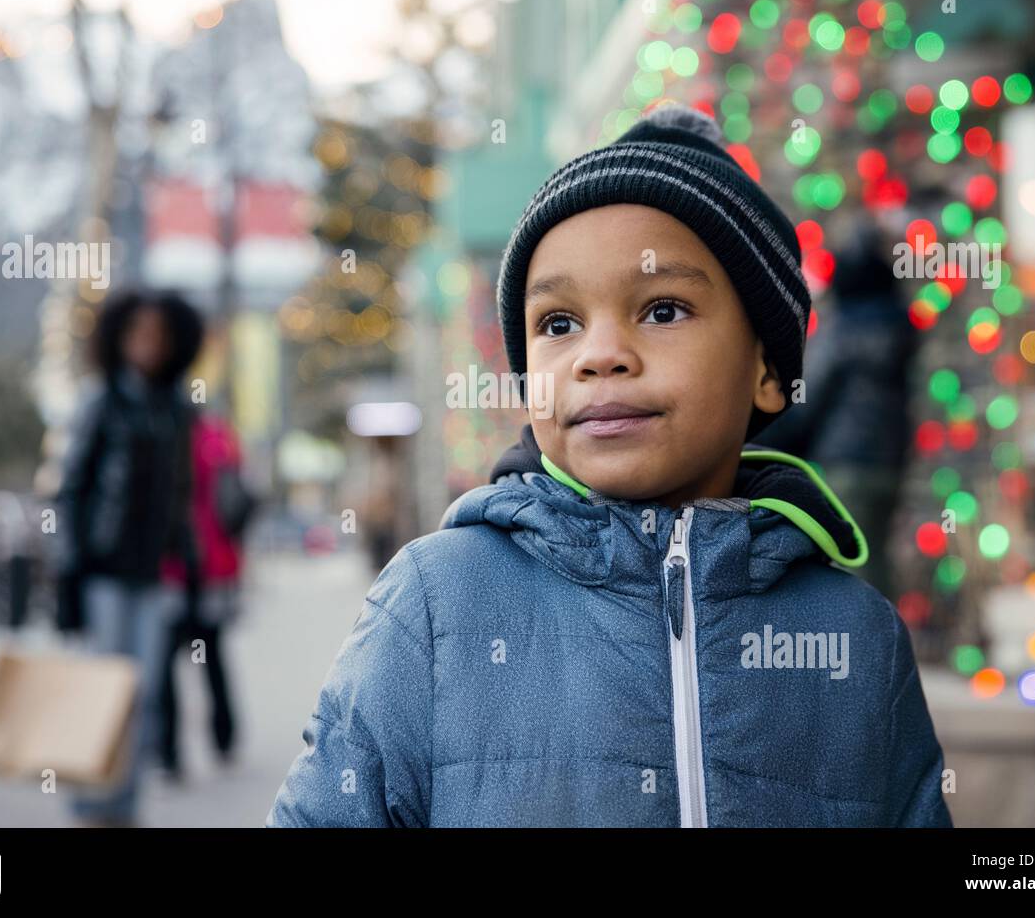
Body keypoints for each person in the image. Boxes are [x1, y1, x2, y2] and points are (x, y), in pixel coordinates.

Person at [267, 106, 951, 827]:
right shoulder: (436, 605)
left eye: (662, 309)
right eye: (558, 324)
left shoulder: (856, 637)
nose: (600, 354)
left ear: (768, 370)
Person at [54, 289, 203, 826]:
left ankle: (124, 806)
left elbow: (180, 498)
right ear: (118, 339)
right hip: (104, 574)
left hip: (152, 575)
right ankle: (91, 801)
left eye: (158, 335)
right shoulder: (101, 402)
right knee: (100, 691)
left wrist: (191, 575)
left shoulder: (177, 410)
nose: (148, 344)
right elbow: (70, 489)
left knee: (143, 696)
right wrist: (69, 574)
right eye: (138, 333)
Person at [753, 217, 916, 603]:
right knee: (875, 553)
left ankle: (865, 644)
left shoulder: (842, 333)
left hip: (845, 461)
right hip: (889, 463)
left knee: (849, 562)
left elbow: (808, 396)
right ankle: (883, 634)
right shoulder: (899, 331)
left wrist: (771, 438)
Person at [156, 412, 246, 779]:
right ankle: (215, 740)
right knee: (209, 657)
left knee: (176, 660)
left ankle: (171, 753)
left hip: (187, 568)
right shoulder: (218, 436)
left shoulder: (175, 431)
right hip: (197, 566)